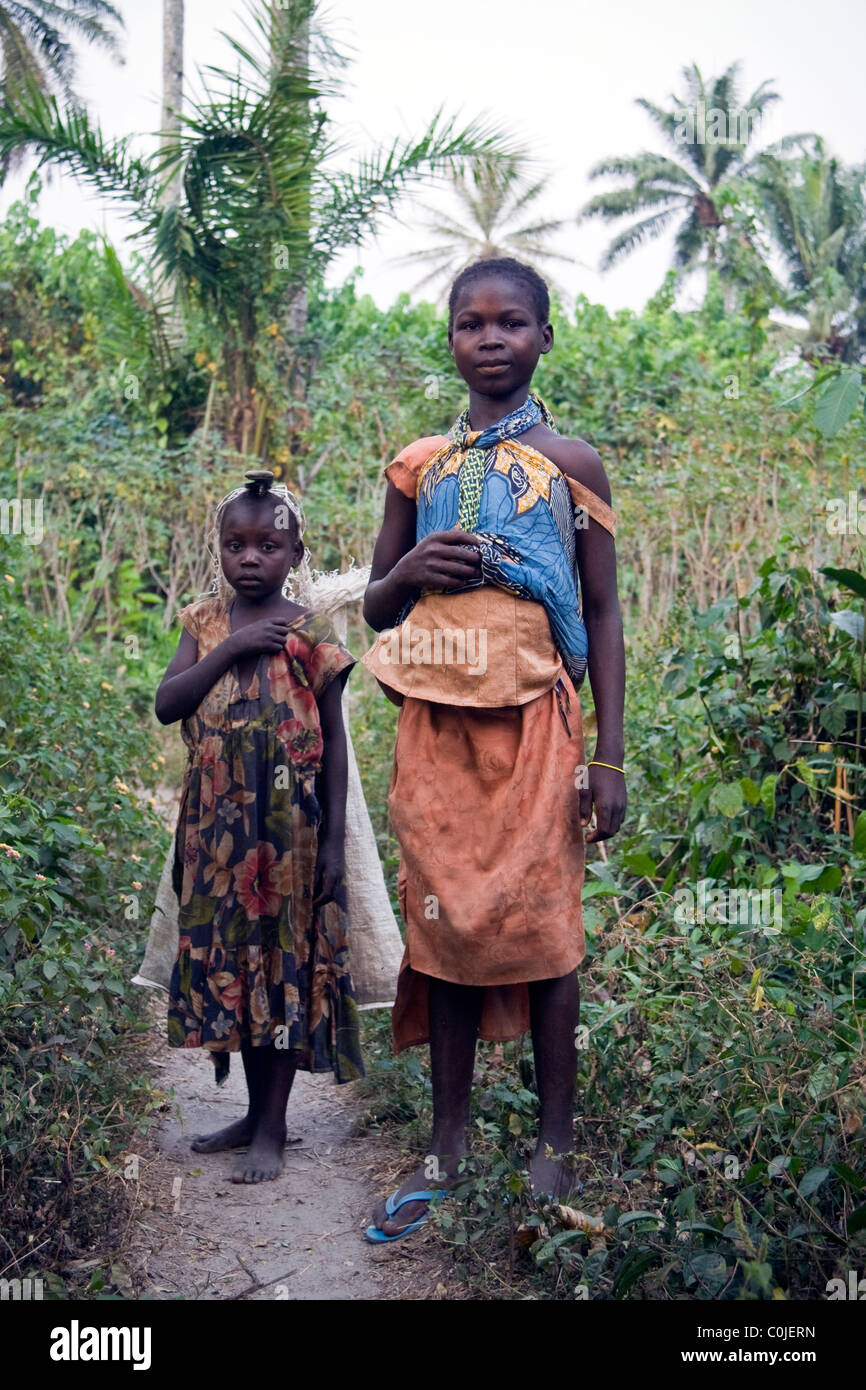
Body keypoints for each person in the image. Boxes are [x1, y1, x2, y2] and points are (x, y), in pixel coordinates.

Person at [361, 258, 626, 1240]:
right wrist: (413, 566)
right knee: (445, 926)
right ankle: (447, 1143)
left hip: (535, 725)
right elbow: (379, 602)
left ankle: (551, 1139)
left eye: (509, 322)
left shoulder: (572, 463)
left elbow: (599, 610)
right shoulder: (418, 464)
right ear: (450, 341)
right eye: (468, 323)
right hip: (434, 727)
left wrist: (610, 754)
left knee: (544, 920)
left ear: (542, 337)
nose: (488, 337)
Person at [155, 469, 363, 1185]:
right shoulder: (204, 623)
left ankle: (273, 1126)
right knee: (237, 971)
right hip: (216, 837)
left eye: (269, 545)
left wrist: (334, 841)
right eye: (236, 544)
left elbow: (333, 746)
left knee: (280, 972)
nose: (251, 558)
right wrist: (232, 650)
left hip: (289, 839)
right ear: (218, 551)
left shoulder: (308, 635)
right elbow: (167, 703)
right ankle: (251, 1113)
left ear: (297, 555)